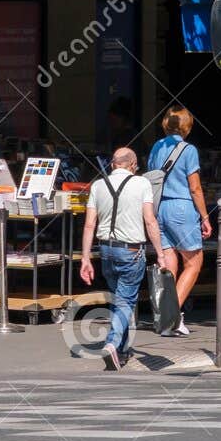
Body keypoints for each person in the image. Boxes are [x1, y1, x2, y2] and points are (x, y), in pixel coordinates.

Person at [79, 146, 167, 371]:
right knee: (126, 301)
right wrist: (161, 253)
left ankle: (122, 349)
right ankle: (112, 342)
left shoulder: (98, 186)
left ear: (112, 164)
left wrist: (86, 258)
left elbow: (90, 224)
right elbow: (150, 221)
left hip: (106, 250)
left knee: (120, 300)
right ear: (134, 165)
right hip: (130, 251)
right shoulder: (142, 184)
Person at [147, 104, 212, 336]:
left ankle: (164, 316)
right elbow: (195, 188)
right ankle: (171, 318)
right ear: (187, 126)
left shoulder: (156, 147)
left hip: (159, 208)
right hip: (181, 208)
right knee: (194, 262)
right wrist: (205, 216)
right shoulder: (189, 150)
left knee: (169, 263)